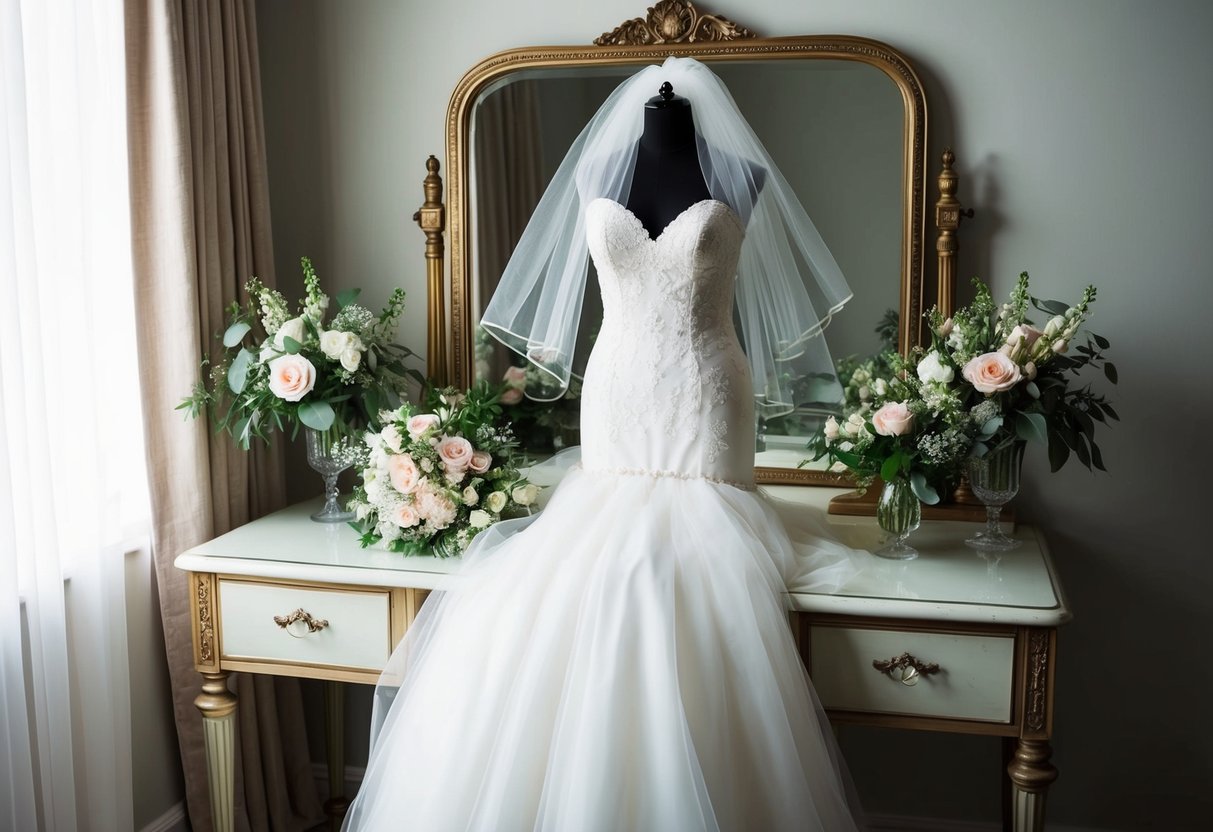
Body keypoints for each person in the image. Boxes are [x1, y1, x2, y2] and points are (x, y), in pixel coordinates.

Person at [343, 56, 867, 831]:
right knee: (587, 566)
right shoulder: (593, 169)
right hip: (616, 389)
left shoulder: (741, 173)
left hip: (706, 385)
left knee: (686, 565)